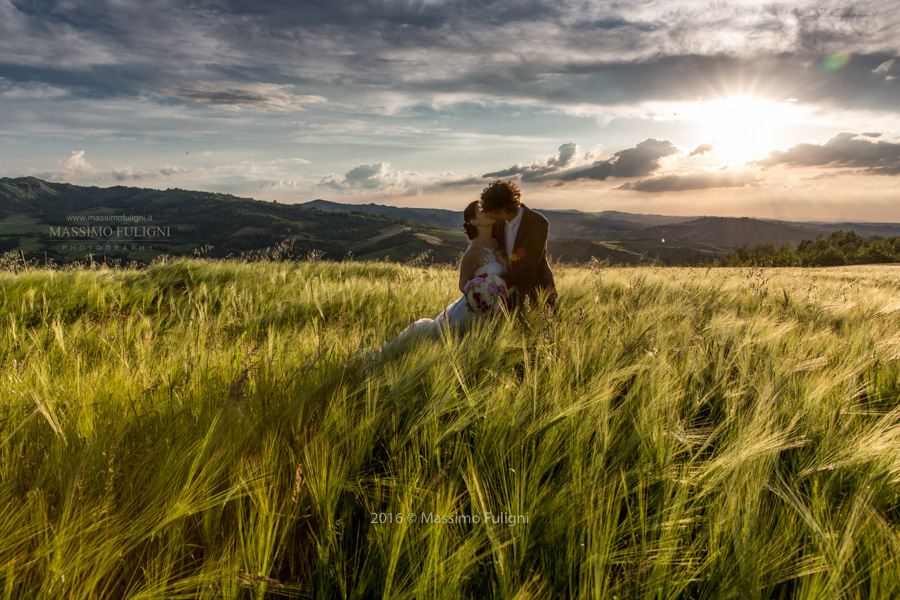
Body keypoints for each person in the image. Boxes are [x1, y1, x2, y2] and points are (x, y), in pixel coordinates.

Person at [389, 200, 508, 345]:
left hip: (497, 310)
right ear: (474, 221)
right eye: (482, 210)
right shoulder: (474, 251)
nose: (488, 211)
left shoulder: (496, 243)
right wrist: (483, 298)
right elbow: (462, 284)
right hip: (474, 312)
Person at [478, 179, 556, 310]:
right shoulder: (497, 224)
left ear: (502, 207)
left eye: (491, 210)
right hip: (509, 295)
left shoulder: (538, 223)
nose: (489, 214)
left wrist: (497, 284)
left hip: (537, 289)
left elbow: (530, 264)